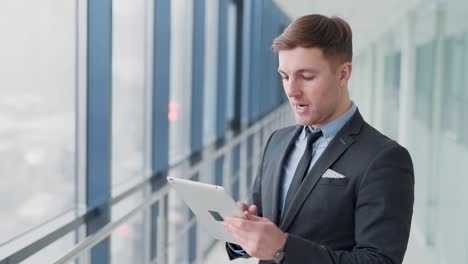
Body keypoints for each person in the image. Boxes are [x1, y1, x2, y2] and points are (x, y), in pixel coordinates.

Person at [223, 14, 414, 264]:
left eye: (306, 77)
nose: (291, 91)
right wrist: (246, 234)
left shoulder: (384, 158)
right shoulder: (276, 142)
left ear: (343, 74)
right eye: (285, 76)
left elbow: (379, 261)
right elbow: (269, 232)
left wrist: (283, 249)